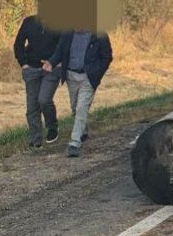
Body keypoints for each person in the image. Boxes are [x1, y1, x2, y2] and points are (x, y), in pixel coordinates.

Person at [43, 27, 113, 157]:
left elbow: (107, 56)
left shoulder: (99, 34)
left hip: (88, 78)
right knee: (75, 107)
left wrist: (97, 74)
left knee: (82, 107)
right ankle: (83, 131)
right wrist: (51, 63)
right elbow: (60, 52)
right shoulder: (67, 33)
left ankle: (75, 143)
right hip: (71, 76)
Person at [12, 12, 62, 149]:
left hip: (51, 69)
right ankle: (36, 141)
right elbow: (18, 44)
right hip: (32, 69)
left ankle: (52, 127)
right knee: (32, 106)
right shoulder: (29, 22)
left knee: (44, 100)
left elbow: (64, 46)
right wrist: (23, 64)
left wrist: (54, 62)